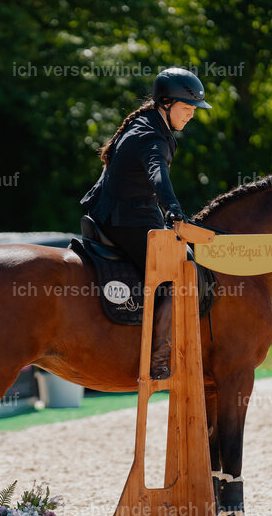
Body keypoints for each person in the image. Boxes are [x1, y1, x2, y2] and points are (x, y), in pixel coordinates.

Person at [80, 67, 211, 379]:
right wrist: (175, 211)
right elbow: (158, 175)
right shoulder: (153, 136)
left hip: (117, 216)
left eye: (194, 109)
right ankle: (159, 359)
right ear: (166, 104)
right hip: (126, 221)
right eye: (187, 108)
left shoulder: (147, 124)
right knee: (179, 276)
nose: (191, 115)